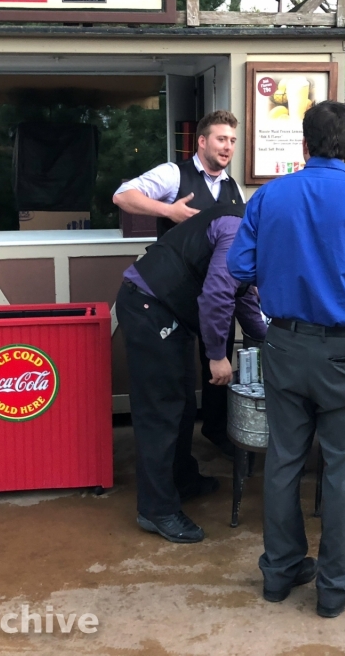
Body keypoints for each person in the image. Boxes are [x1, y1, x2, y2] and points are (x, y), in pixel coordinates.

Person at [227, 101, 345, 618]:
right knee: (343, 471)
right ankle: (334, 585)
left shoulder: (270, 196)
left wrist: (285, 266)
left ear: (304, 145)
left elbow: (239, 265)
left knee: (284, 460)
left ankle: (280, 572)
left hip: (284, 345)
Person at [115, 202, 267, 544]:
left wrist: (270, 337)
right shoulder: (237, 230)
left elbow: (241, 294)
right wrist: (217, 355)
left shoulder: (250, 228)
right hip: (149, 305)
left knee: (182, 403)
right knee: (160, 411)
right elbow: (217, 295)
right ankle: (156, 509)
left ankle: (181, 479)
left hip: (171, 311)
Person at [113, 110, 244, 456]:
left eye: (232, 140)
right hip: (172, 299)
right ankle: (177, 456)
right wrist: (168, 211)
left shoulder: (234, 189)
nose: (228, 147)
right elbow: (123, 195)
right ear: (201, 142)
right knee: (178, 381)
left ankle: (217, 430)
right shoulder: (174, 174)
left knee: (219, 360)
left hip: (217, 295)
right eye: (221, 139)